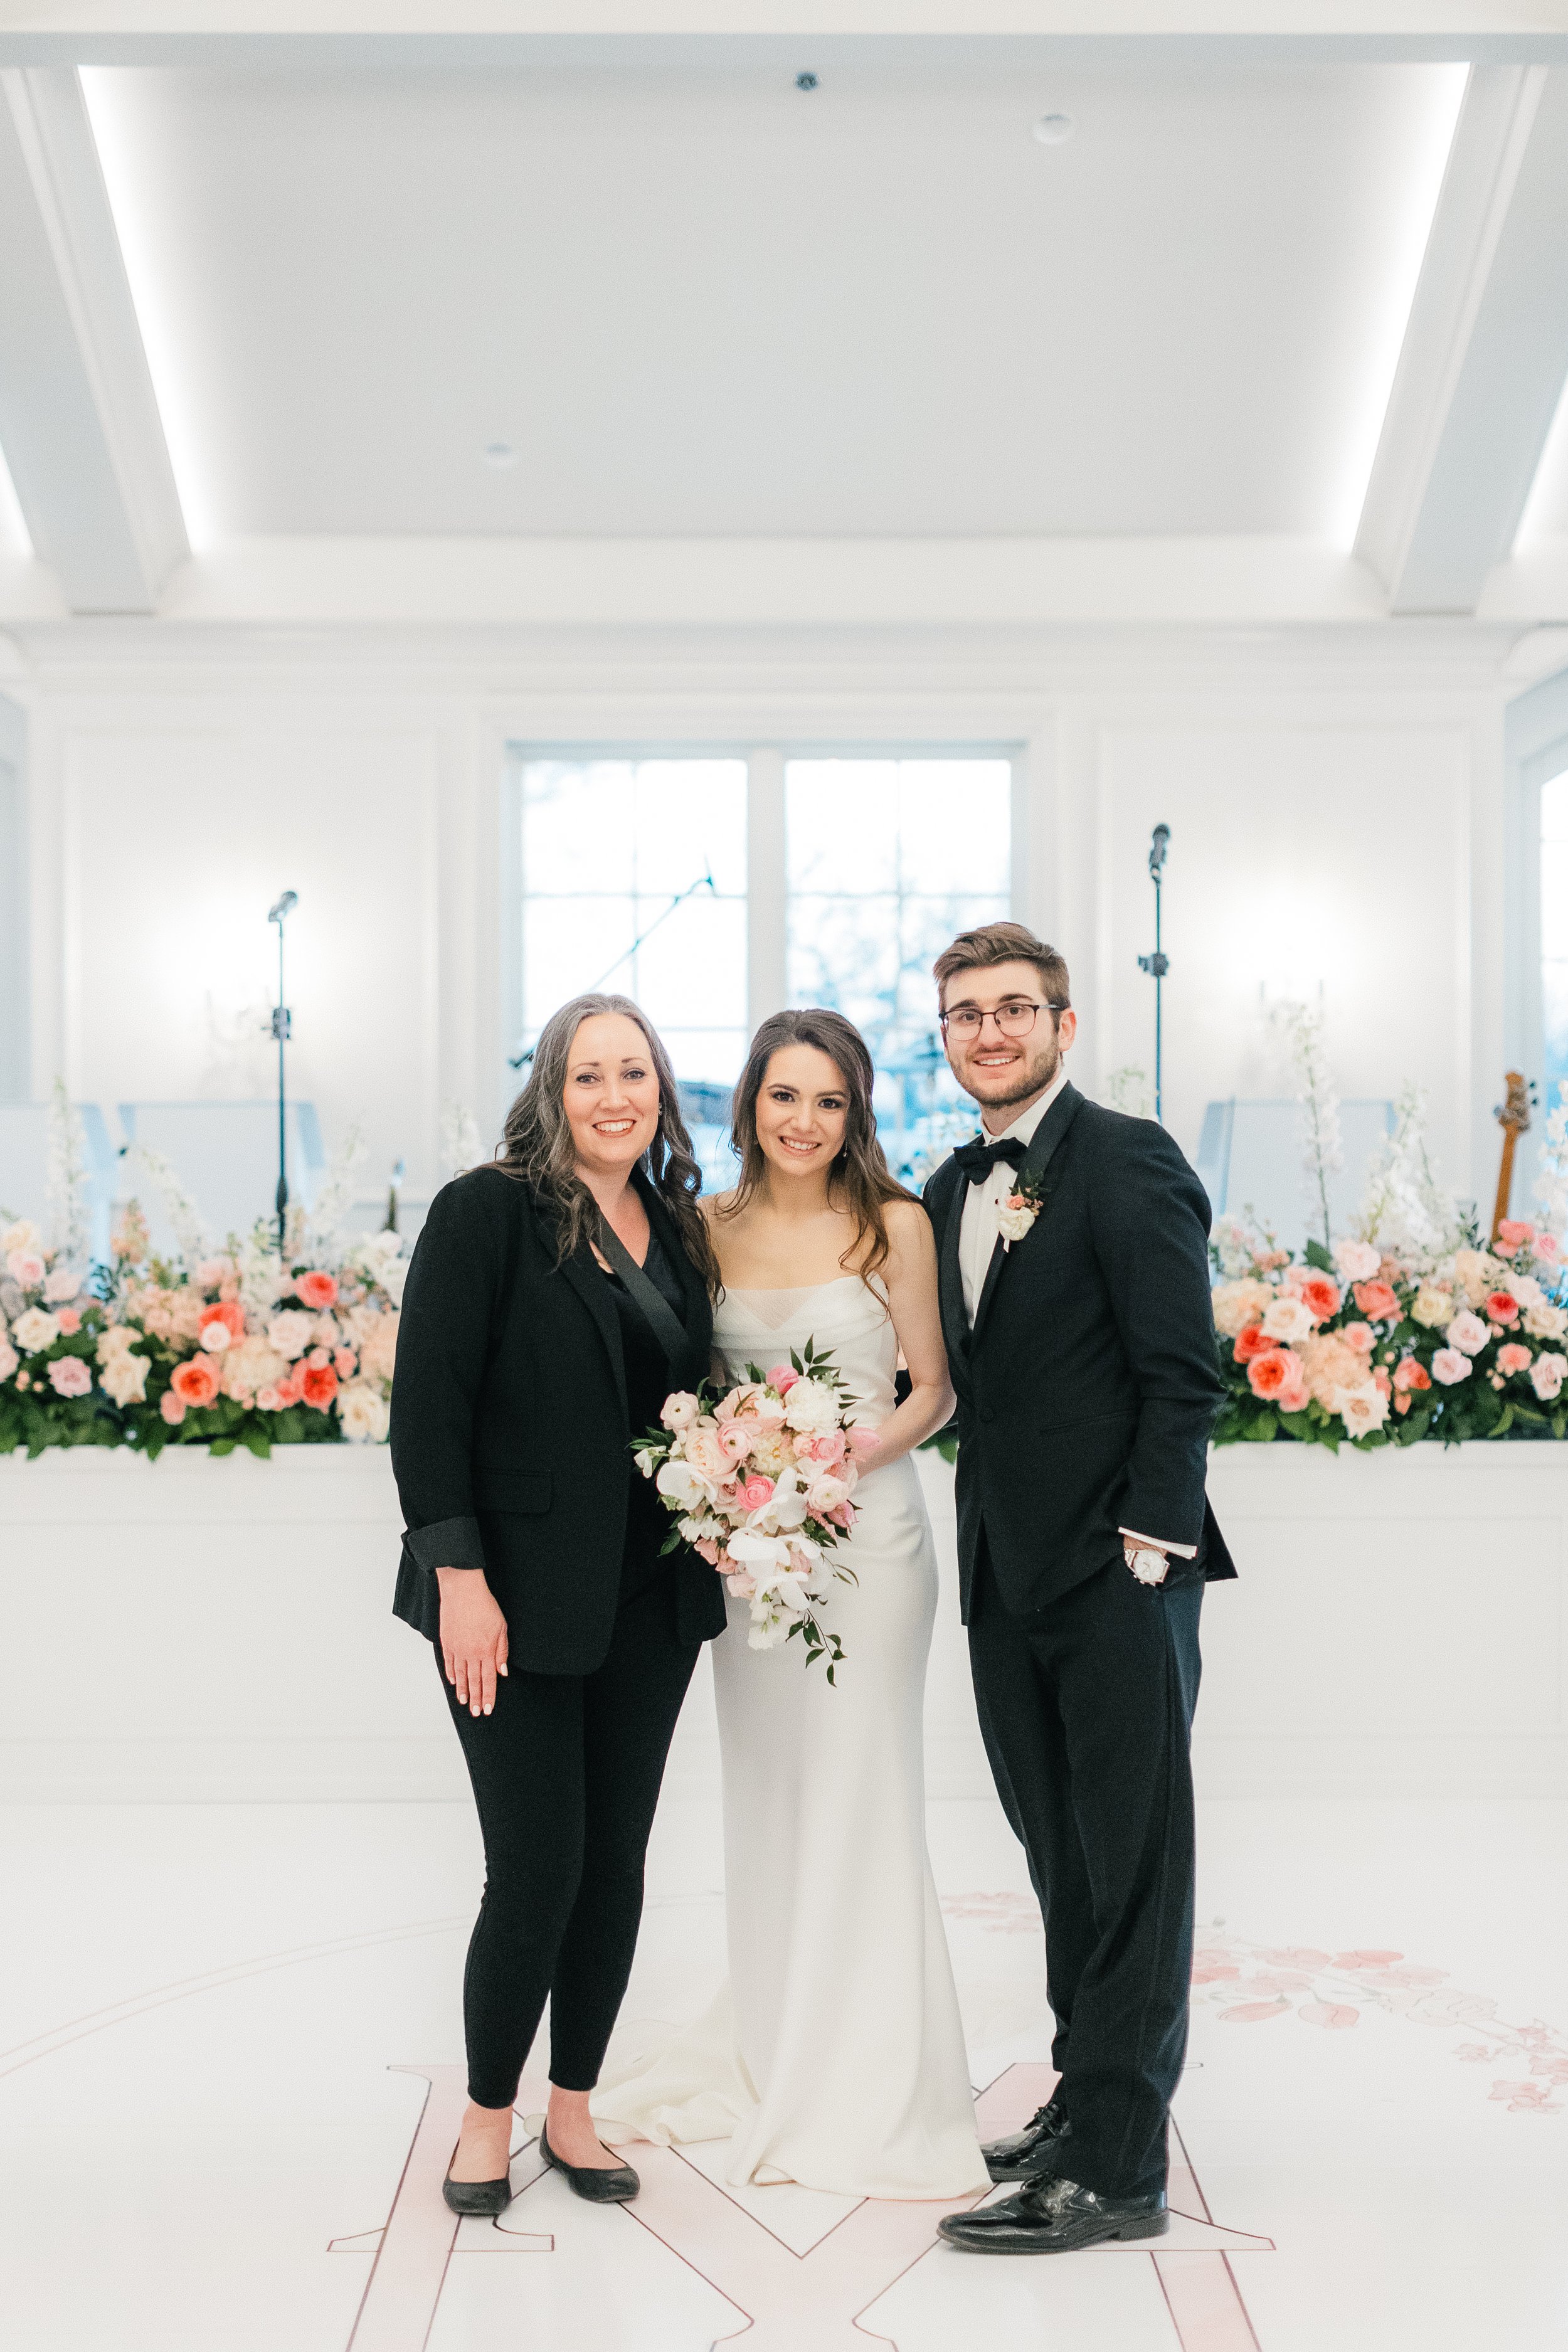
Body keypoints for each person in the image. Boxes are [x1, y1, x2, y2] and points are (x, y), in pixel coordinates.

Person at [593, 1009, 988, 2199]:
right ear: (748, 1104)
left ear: (855, 1108)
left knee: (863, 1790)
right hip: (749, 1556)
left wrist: (840, 1457)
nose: (803, 1121)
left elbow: (934, 1391)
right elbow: (684, 1389)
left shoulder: (897, 1224)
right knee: (767, 1795)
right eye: (783, 1096)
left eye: (827, 1100)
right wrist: (729, 1479)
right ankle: (774, 2043)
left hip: (869, 1545)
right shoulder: (700, 1227)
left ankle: (867, 2073)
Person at [921, 921, 1235, 2258]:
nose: (987, 1032)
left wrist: (1147, 1543)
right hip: (1004, 1575)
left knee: (1132, 1870)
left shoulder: (1126, 1159)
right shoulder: (946, 1186)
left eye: (1011, 1009)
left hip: (1118, 1575)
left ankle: (1116, 2170)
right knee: (1060, 1856)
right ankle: (1079, 2096)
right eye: (963, 1015)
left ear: (1061, 1023)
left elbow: (1182, 1370)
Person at [388, 992, 726, 2217]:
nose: (614, 1097)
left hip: (652, 1596)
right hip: (509, 1598)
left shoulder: (678, 1228)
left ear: (662, 1090)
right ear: (550, 1089)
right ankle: (487, 2118)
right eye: (589, 1075)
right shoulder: (487, 1211)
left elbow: (694, 1406)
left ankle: (573, 2111)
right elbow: (427, 1409)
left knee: (615, 1867)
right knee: (535, 1867)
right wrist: (457, 1581)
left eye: (635, 1072)